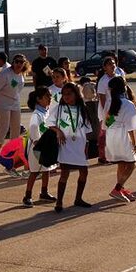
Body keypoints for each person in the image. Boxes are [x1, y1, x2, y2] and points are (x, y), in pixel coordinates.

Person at [47, 83, 92, 213]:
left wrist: (86, 146)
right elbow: (49, 123)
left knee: (84, 171)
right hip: (65, 145)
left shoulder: (82, 108)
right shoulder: (59, 108)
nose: (66, 96)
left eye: (69, 94)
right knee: (64, 173)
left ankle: (78, 198)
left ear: (76, 94)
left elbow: (87, 130)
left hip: (80, 145)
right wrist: (58, 131)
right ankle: (59, 201)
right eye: (64, 94)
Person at [0, 54, 28, 161]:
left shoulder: (21, 75)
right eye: (17, 62)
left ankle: (11, 153)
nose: (19, 64)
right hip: (2, 103)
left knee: (16, 130)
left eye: (21, 62)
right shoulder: (5, 74)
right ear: (13, 62)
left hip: (15, 103)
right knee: (4, 129)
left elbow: (17, 91)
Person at [105, 77, 136, 203]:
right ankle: (117, 188)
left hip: (111, 135)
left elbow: (106, 121)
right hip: (122, 135)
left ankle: (121, 188)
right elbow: (131, 126)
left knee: (121, 162)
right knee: (132, 163)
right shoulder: (127, 104)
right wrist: (134, 143)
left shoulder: (109, 102)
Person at [23, 88, 57, 207]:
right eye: (47, 96)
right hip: (37, 147)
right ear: (38, 99)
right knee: (35, 171)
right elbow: (33, 128)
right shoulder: (37, 114)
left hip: (46, 146)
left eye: (50, 96)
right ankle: (27, 195)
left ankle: (44, 192)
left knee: (46, 169)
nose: (49, 98)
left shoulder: (47, 112)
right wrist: (37, 142)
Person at [96, 56, 124, 163]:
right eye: (109, 64)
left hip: (118, 108)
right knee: (105, 133)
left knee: (117, 132)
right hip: (108, 110)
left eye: (113, 63)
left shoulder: (119, 76)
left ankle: (115, 154)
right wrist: (106, 114)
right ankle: (102, 156)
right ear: (104, 67)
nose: (112, 66)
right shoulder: (103, 81)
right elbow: (102, 99)